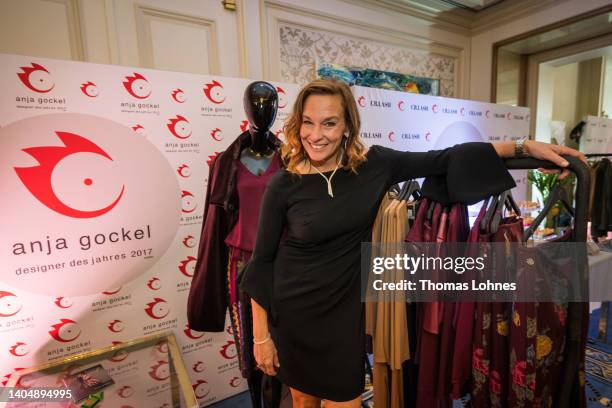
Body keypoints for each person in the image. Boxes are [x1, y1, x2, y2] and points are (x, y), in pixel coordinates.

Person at [239, 79, 586, 408]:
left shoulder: (374, 165)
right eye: (308, 123)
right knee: (302, 401)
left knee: (345, 399)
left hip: (342, 321)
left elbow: (446, 157)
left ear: (347, 126)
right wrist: (261, 336)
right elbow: (262, 264)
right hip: (294, 314)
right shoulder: (283, 185)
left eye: (329, 123)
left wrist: (525, 147)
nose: (316, 135)